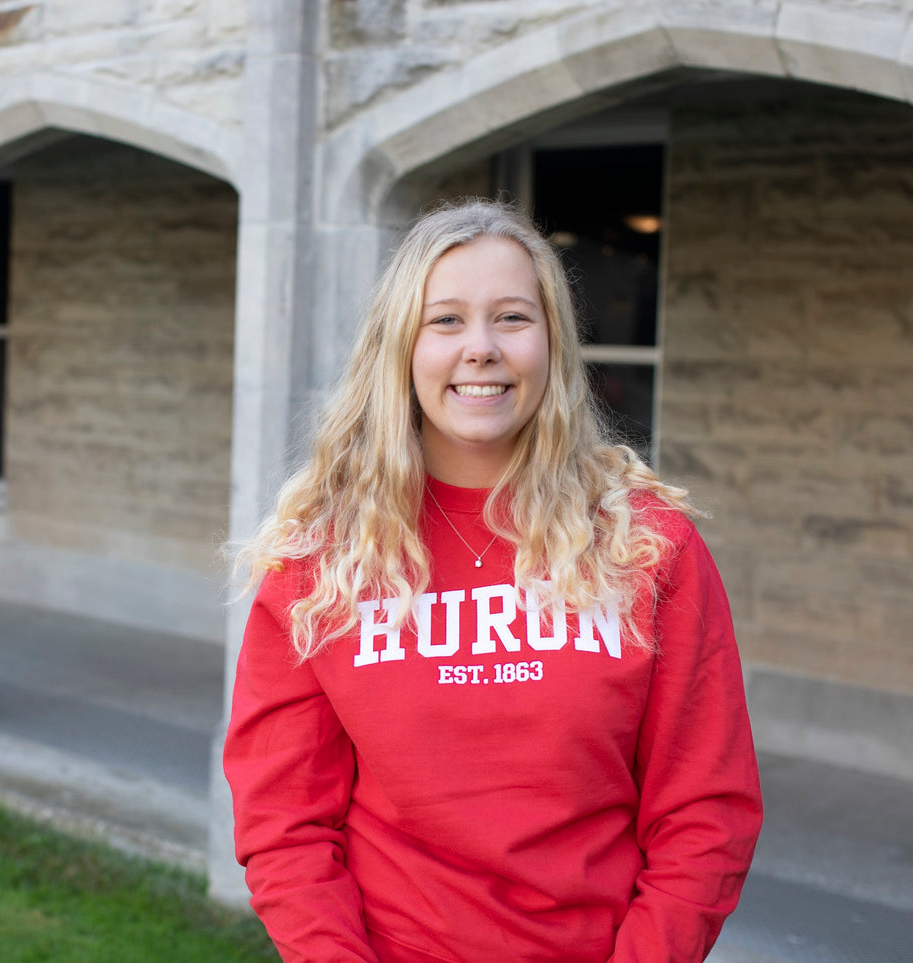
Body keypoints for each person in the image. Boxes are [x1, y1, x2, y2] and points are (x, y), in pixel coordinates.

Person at [222, 199, 762, 963]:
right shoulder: (322, 560)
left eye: (511, 317)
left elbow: (706, 809)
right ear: (399, 346)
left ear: (551, 342)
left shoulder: (645, 545)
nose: (480, 348)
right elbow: (285, 823)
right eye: (445, 321)